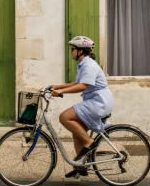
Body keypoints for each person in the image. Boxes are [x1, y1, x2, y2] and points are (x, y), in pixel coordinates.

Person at [49, 35, 114, 178]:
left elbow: (83, 86)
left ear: (80, 51)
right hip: (94, 101)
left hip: (99, 102)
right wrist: (57, 86)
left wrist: (61, 91)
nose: (71, 51)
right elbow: (76, 83)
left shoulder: (89, 64)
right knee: (78, 133)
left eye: (73, 49)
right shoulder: (83, 64)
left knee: (64, 117)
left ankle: (90, 142)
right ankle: (81, 166)